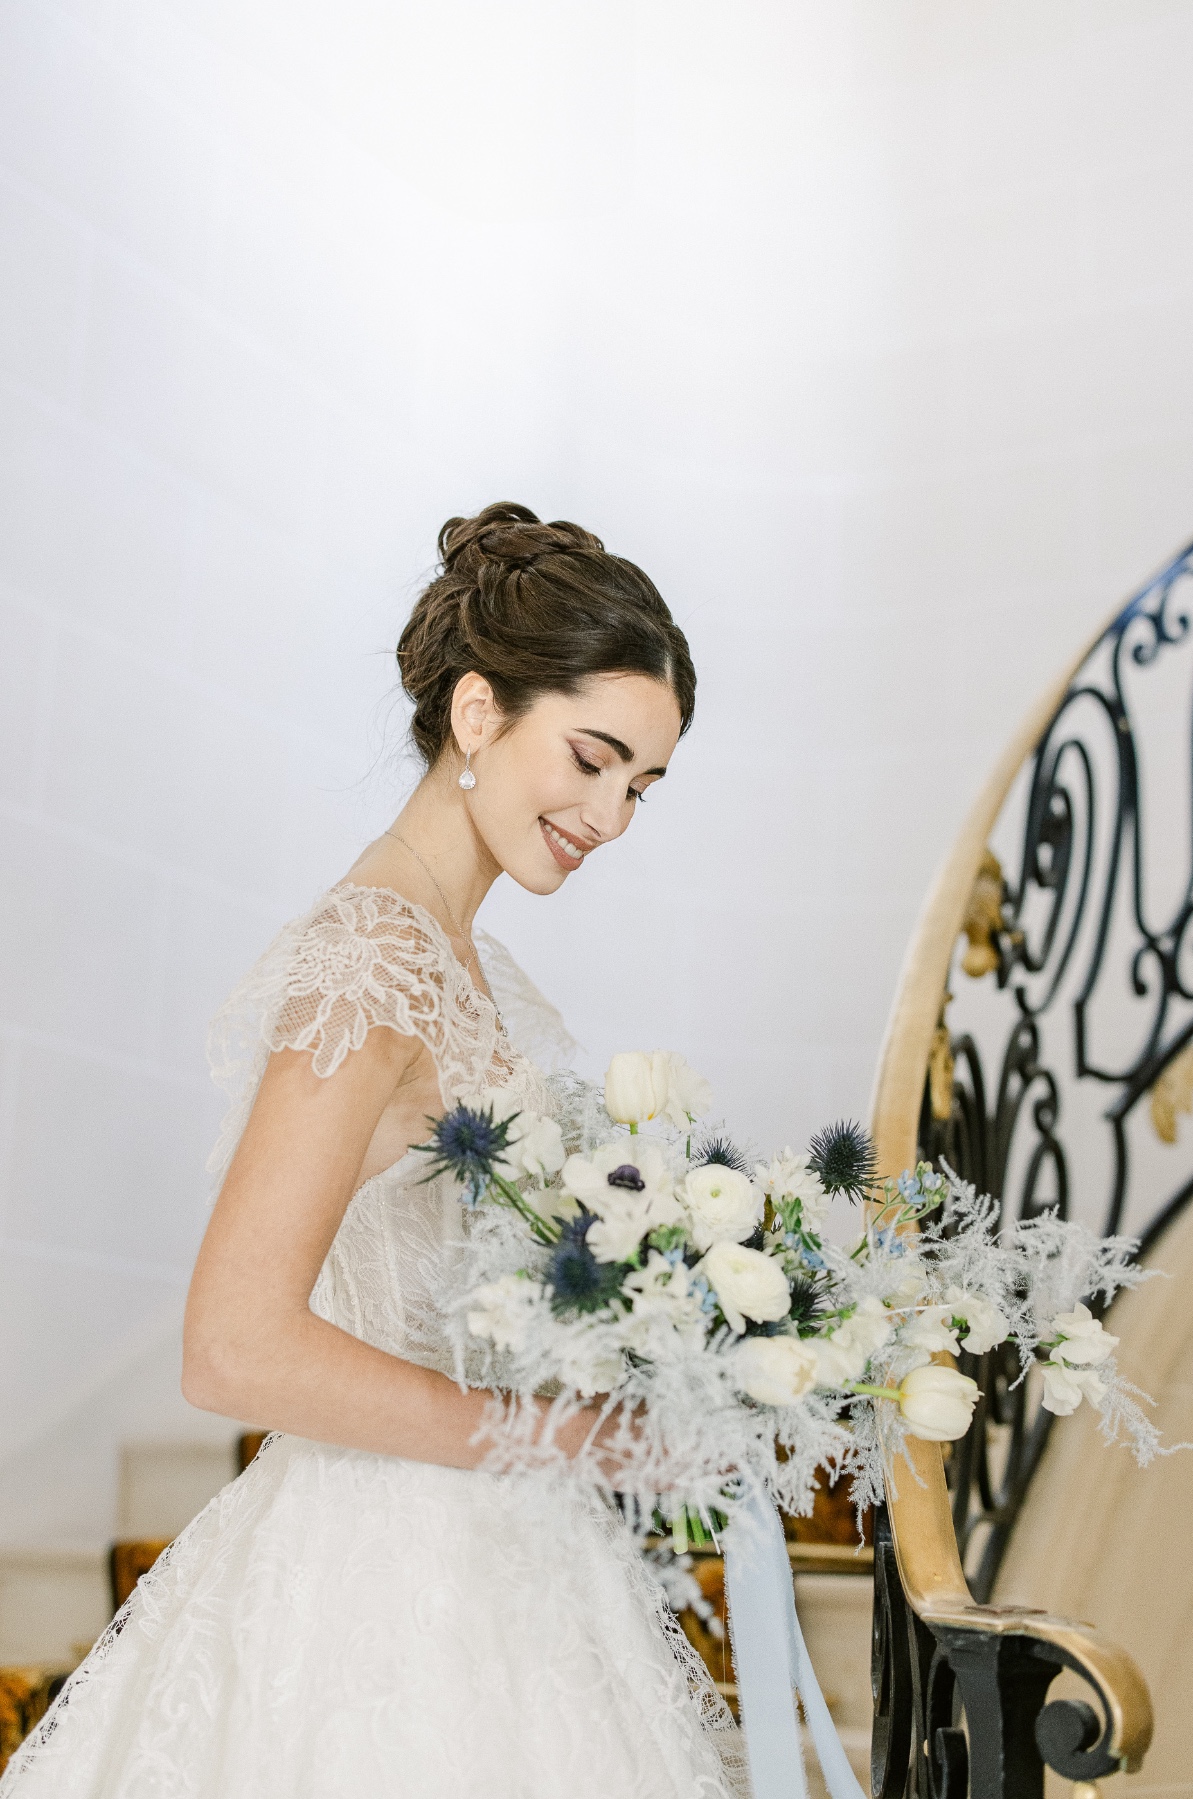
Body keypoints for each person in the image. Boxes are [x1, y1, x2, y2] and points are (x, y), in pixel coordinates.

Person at [2, 503, 748, 1798]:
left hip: (506, 1565)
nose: (614, 816)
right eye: (592, 757)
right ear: (477, 714)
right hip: (379, 1590)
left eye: (641, 785)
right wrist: (562, 1431)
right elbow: (231, 1343)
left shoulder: (485, 976)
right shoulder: (378, 957)